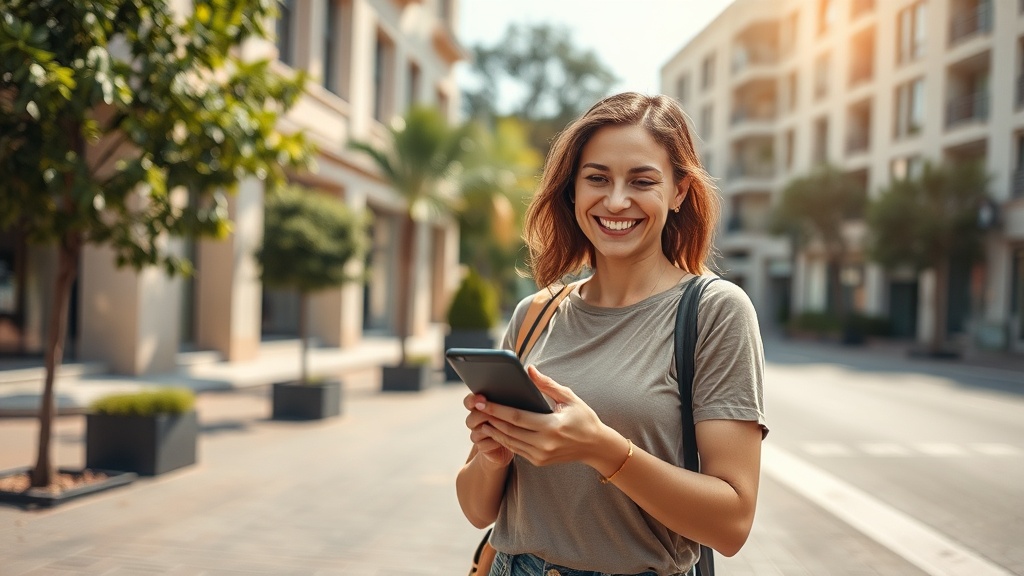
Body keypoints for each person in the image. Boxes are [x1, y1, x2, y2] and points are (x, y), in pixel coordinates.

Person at [455, 92, 768, 576]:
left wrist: (602, 449)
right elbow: (477, 510)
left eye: (642, 181)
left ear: (679, 191)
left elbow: (732, 524)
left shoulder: (715, 312)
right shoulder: (534, 314)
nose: (616, 200)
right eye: (597, 178)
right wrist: (493, 457)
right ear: (572, 190)